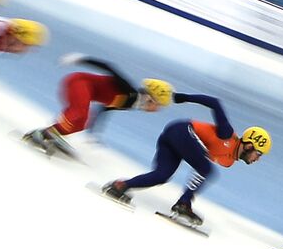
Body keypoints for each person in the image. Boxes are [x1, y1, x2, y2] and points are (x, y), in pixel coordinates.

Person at [101, 94, 270, 226]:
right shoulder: (226, 133)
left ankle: (120, 186)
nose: (257, 159)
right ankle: (183, 203)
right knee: (206, 169)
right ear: (249, 146)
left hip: (174, 138)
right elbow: (215, 103)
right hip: (181, 131)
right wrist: (184, 97)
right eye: (259, 153)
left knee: (161, 175)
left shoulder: (229, 160)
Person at [22, 55, 174, 158]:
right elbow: (109, 67)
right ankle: (46, 133)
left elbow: (103, 110)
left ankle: (47, 134)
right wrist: (80, 59)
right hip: (78, 82)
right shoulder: (129, 91)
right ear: (150, 98)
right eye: (158, 105)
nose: (157, 110)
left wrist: (93, 133)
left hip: (84, 90)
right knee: (80, 112)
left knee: (82, 124)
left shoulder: (130, 103)